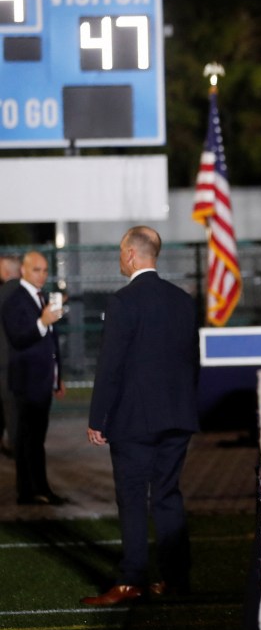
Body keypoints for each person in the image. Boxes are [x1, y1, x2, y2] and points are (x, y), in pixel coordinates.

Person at [80, 226, 201, 606]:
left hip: (133, 420)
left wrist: (98, 417)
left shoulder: (122, 302)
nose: (120, 258)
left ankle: (132, 580)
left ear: (131, 254)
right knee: (167, 495)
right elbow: (191, 362)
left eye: (121, 252)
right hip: (177, 416)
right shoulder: (183, 300)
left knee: (132, 498)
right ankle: (176, 579)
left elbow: (110, 366)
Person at [1, 251, 66, 506]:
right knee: (28, 440)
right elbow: (18, 337)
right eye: (37, 269)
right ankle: (33, 490)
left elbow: (51, 342)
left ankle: (33, 490)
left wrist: (57, 375)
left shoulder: (42, 298)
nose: (42, 274)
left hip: (41, 380)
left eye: (45, 270)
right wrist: (42, 321)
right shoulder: (15, 299)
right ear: (23, 271)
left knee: (34, 439)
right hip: (26, 382)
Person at [0, 254, 23, 457]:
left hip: (4, 365)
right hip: (28, 365)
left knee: (11, 412)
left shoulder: (2, 294)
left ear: (5, 271)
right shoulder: (31, 295)